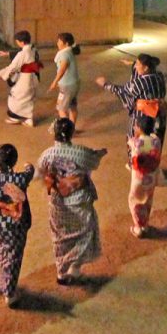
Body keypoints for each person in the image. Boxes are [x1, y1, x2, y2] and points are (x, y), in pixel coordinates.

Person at [37, 117, 107, 285]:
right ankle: (74, 266)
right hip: (78, 200)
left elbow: (40, 172)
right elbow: (93, 162)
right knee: (86, 232)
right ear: (71, 133)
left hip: (57, 202)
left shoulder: (47, 154)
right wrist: (99, 154)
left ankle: (62, 271)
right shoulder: (81, 152)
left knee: (60, 237)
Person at [0, 143, 33, 307]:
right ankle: (9, 293)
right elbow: (29, 173)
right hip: (16, 224)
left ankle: (2, 281)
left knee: (3, 250)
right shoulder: (20, 179)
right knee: (14, 256)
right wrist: (28, 167)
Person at [96, 52, 167, 148]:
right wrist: (132, 63)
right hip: (160, 116)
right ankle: (153, 161)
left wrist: (105, 84)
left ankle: (135, 162)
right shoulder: (160, 77)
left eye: (138, 64)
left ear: (146, 68)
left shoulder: (140, 82)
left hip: (143, 117)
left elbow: (123, 91)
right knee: (155, 143)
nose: (136, 67)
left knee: (138, 144)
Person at [0, 29, 41, 125]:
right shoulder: (33, 49)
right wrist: (8, 54)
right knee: (28, 98)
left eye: (17, 42)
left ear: (21, 42)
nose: (17, 44)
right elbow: (23, 55)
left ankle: (16, 117)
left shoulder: (22, 54)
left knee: (16, 97)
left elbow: (13, 67)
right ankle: (28, 119)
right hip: (33, 77)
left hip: (25, 79)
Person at [127, 114, 163, 238]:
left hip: (138, 178)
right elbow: (151, 147)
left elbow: (131, 147)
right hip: (151, 177)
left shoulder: (135, 142)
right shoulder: (156, 141)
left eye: (136, 126)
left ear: (139, 127)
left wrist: (136, 136)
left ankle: (138, 228)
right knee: (147, 200)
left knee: (135, 201)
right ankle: (145, 225)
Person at [47, 32, 81, 124]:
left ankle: (66, 130)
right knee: (72, 106)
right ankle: (72, 128)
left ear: (66, 43)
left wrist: (54, 82)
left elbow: (62, 69)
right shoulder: (70, 51)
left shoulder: (64, 54)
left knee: (61, 109)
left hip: (67, 86)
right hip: (74, 84)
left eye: (59, 41)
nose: (57, 43)